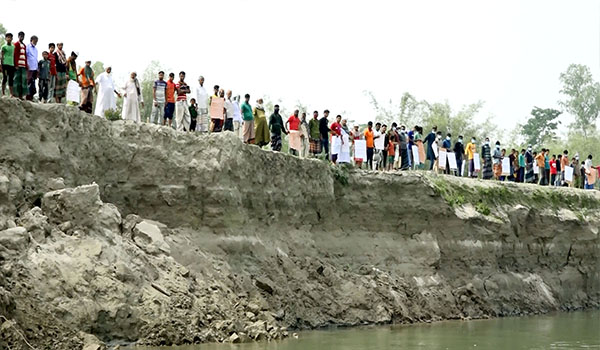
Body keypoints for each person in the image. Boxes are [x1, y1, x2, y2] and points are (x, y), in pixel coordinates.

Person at [13, 32, 28, 99]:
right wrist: (15, 64)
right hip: (18, 65)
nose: (22, 37)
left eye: (23, 36)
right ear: (18, 36)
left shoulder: (24, 46)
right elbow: (15, 55)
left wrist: (26, 65)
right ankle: (16, 94)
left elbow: (25, 56)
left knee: (23, 80)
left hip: (23, 65)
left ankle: (21, 95)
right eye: (21, 36)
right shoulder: (16, 44)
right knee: (17, 79)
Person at [1, 32, 15, 96]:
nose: (9, 39)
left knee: (11, 79)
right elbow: (1, 56)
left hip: (11, 64)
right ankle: (3, 92)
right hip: (5, 64)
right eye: (8, 37)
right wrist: (1, 65)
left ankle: (11, 93)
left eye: (10, 37)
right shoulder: (3, 46)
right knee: (5, 78)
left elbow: (14, 55)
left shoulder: (13, 46)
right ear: (6, 38)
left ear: (12, 38)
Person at [26, 35, 38, 101]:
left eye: (36, 41)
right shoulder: (27, 47)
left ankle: (31, 97)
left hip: (34, 68)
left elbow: (35, 58)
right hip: (29, 67)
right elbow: (26, 56)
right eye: (35, 41)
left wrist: (37, 68)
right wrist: (26, 65)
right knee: (28, 82)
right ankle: (26, 96)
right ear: (31, 40)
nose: (36, 42)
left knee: (33, 83)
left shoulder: (36, 49)